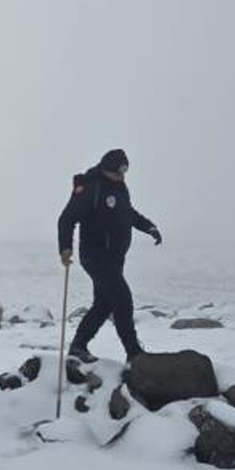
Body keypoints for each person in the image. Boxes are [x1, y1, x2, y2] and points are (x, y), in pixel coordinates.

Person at [57, 149, 162, 364]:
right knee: (123, 299)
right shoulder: (90, 187)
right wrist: (65, 248)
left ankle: (78, 347)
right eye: (118, 172)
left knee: (103, 304)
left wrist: (149, 227)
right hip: (95, 256)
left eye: (125, 172)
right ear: (106, 169)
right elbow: (67, 219)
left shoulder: (119, 186)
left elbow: (128, 213)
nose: (122, 176)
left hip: (115, 258)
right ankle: (133, 353)